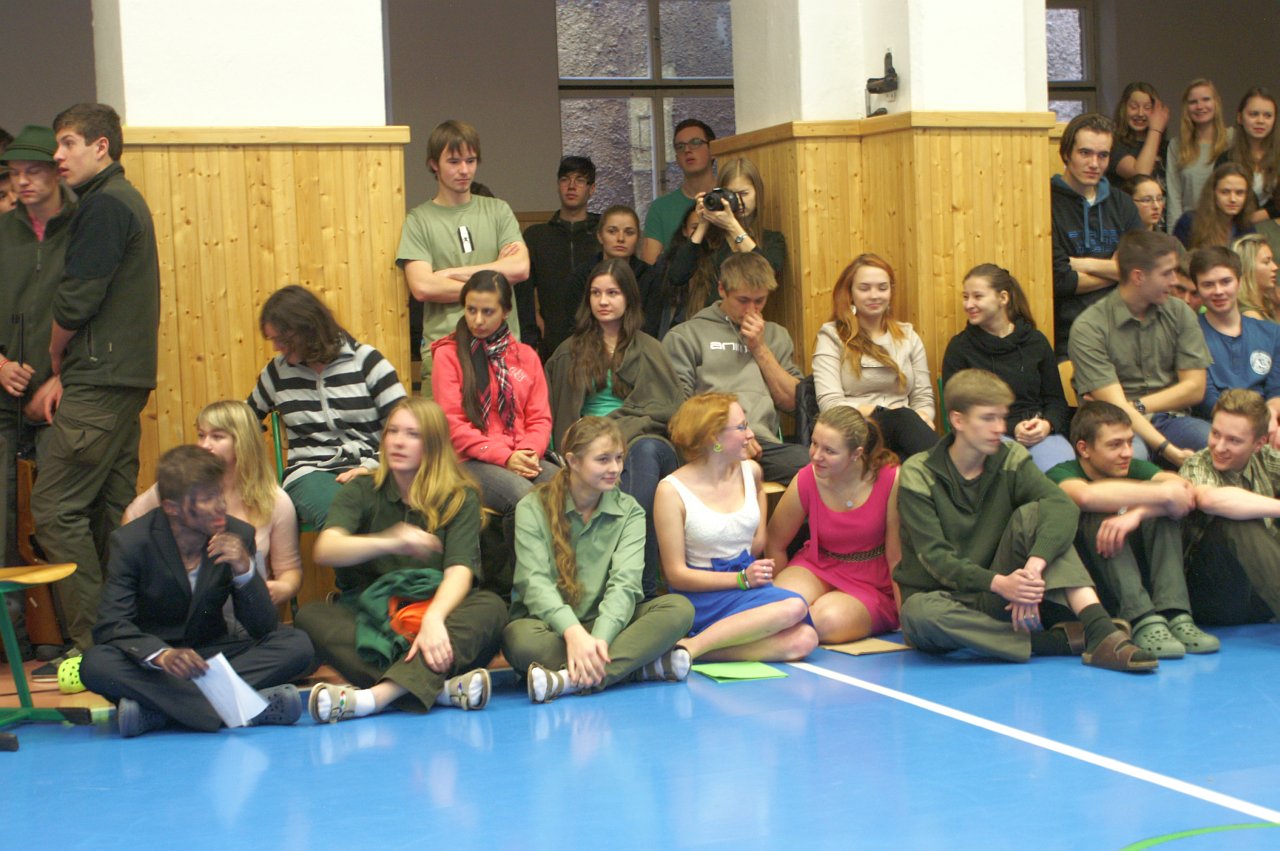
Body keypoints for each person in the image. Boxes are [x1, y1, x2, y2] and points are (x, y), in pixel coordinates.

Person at [895, 370, 1157, 672]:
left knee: (1037, 514)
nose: (1000, 428)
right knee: (918, 613)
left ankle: (1098, 628)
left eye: (1002, 417)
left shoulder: (1010, 456)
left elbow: (1061, 505)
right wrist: (1001, 584)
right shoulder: (919, 472)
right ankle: (1052, 643)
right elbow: (936, 558)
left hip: (1002, 596)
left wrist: (1033, 567)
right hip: (945, 601)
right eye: (988, 418)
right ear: (958, 420)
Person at [30, 104, 160, 662]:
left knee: (55, 508)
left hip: (99, 378)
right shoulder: (121, 199)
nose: (57, 155)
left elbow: (77, 301)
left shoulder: (104, 204)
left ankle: (96, 645)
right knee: (112, 512)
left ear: (101, 146)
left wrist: (56, 359)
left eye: (68, 143)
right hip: (120, 380)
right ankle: (128, 638)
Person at [78, 446, 314, 737]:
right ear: (171, 507)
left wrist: (245, 571)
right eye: (207, 499)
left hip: (212, 655)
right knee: (95, 664)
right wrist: (161, 655)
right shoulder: (131, 542)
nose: (220, 505)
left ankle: (158, 713)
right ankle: (247, 708)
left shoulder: (238, 534)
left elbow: (263, 627)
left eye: (219, 494)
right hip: (157, 663)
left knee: (297, 645)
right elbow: (112, 624)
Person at [295, 399, 507, 722]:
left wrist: (434, 618)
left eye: (412, 434)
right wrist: (390, 540)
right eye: (392, 432)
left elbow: (459, 571)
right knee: (311, 616)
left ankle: (375, 697)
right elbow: (326, 548)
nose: (397, 441)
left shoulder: (459, 496)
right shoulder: (363, 488)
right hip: (374, 617)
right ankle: (438, 689)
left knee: (491, 608)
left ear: (433, 444)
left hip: (438, 615)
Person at [504, 417, 695, 703]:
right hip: (551, 630)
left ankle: (567, 680)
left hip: (610, 626)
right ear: (573, 461)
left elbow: (625, 584)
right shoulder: (532, 507)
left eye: (619, 458)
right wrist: (573, 633)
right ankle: (637, 669)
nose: (615, 468)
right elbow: (534, 583)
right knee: (517, 638)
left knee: (678, 608)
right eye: (603, 459)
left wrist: (601, 639)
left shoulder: (630, 510)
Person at [545, 258, 685, 595]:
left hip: (644, 438)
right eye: (596, 293)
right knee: (598, 456)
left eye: (612, 293)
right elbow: (555, 410)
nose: (603, 301)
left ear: (629, 298)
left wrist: (621, 429)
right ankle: (601, 586)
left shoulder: (651, 348)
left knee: (644, 452)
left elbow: (670, 409)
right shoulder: (569, 351)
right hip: (587, 438)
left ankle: (641, 586)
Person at [654, 393, 817, 662]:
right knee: (795, 606)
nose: (750, 434)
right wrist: (741, 579)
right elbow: (676, 575)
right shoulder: (670, 491)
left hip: (745, 585)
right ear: (714, 437)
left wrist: (749, 565)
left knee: (805, 639)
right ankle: (693, 647)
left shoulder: (751, 471)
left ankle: (691, 650)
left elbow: (757, 528)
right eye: (741, 427)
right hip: (702, 595)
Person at [1046, 401, 1217, 658]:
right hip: (1090, 590)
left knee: (1162, 514)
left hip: (1138, 579)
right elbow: (1086, 496)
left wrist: (1138, 514)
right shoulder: (1061, 473)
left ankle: (1174, 614)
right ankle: (1140, 618)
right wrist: (1160, 495)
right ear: (1084, 449)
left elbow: (1183, 492)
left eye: (1129, 442)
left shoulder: (1133, 468)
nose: (1127, 452)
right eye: (1115, 445)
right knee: (1103, 513)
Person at [431, 270, 556, 593]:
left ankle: (567, 583)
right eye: (471, 310)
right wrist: (505, 457)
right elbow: (452, 425)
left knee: (567, 487)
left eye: (488, 311)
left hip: (519, 452)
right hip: (468, 459)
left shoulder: (525, 356)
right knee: (524, 499)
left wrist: (527, 452)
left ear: (506, 312)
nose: (478, 320)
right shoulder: (448, 354)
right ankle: (524, 592)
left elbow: (540, 418)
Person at [247, 285, 407, 529]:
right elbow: (244, 420)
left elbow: (406, 427)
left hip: (374, 468)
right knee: (343, 512)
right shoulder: (276, 372)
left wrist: (372, 466)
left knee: (386, 510)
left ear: (310, 329)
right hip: (310, 472)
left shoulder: (367, 362)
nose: (276, 347)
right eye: (273, 340)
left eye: (283, 339)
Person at [125, 401, 302, 607]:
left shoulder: (275, 500)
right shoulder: (178, 487)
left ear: (243, 442)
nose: (205, 445)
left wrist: (283, 588)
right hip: (181, 608)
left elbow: (289, 570)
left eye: (217, 437)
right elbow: (130, 521)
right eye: (201, 435)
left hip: (244, 608)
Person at [397, 120, 527, 395]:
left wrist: (450, 274)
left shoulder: (499, 211)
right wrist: (494, 279)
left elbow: (520, 268)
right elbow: (423, 287)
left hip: (501, 351)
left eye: (471, 160)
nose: (464, 170)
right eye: (454, 162)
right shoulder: (418, 220)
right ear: (434, 164)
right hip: (446, 353)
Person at [663, 252, 810, 483]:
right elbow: (679, 412)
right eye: (743, 300)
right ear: (722, 289)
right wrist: (729, 438)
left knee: (822, 464)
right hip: (711, 444)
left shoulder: (775, 335)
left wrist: (759, 348)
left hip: (762, 443)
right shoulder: (686, 335)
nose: (751, 310)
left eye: (759, 301)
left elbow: (794, 402)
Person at [1069, 230, 1213, 465]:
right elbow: (1115, 409)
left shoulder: (1179, 312)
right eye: (1166, 273)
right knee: (1130, 458)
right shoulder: (1090, 327)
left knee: (1213, 444)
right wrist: (1167, 449)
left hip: (1170, 420)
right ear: (1138, 277)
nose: (1174, 281)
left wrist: (1136, 405)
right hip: (1114, 425)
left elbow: (1195, 388)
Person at [0, 127, 75, 567]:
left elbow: (102, 312)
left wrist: (63, 377)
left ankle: (64, 614)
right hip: (4, 397)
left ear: (56, 171)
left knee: (59, 517)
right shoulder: (3, 232)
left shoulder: (85, 225)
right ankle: (12, 613)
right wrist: (0, 365)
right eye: (14, 173)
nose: (22, 181)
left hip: (66, 396)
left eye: (33, 170)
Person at [766, 407, 901, 644]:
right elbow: (775, 543)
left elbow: (896, 556)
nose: (816, 455)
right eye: (814, 444)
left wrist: (904, 615)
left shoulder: (891, 478)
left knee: (825, 621)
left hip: (871, 581)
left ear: (856, 454)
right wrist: (772, 594)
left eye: (829, 451)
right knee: (778, 609)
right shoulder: (807, 478)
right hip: (818, 563)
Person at [942, 263, 1073, 471]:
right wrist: (1011, 428)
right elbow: (957, 410)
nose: (968, 304)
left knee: (1063, 472)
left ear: (1003, 298)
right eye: (965, 297)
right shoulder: (960, 348)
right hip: (987, 435)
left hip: (1038, 431)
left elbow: (1055, 400)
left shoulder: (1035, 341)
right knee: (1016, 470)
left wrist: (1047, 425)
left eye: (977, 296)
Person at [813, 253, 937, 460]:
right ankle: (956, 474)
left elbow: (923, 397)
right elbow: (830, 404)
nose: (874, 295)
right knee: (903, 418)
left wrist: (923, 416)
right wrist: (882, 411)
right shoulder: (832, 336)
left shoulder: (908, 336)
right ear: (850, 293)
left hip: (906, 429)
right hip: (855, 430)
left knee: (907, 458)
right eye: (864, 288)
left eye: (882, 288)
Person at [1178, 389, 1280, 626]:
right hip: (1214, 594)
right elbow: (1209, 500)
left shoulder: (1265, 458)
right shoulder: (1197, 464)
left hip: (1258, 592)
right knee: (1238, 522)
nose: (1219, 447)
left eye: (1234, 440)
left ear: (1259, 444)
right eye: (1215, 433)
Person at [1051, 113, 1144, 357]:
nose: (1094, 163)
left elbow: (1141, 270)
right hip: (1069, 337)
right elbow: (1061, 280)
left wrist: (1081, 264)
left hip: (1126, 330)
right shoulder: (1047, 202)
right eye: (1085, 153)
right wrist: (1117, 271)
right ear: (1067, 153)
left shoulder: (1122, 203)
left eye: (1103, 155)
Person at [661, 156, 786, 331]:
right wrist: (703, 224)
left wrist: (732, 226)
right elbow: (677, 276)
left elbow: (768, 273)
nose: (738, 201)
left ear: (757, 193)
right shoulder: (711, 238)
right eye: (731, 195)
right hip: (704, 328)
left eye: (744, 194)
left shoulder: (772, 240)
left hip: (746, 328)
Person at [545, 204, 660, 359]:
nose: (620, 238)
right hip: (588, 354)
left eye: (629, 232)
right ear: (600, 236)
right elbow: (576, 326)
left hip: (638, 355)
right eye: (612, 231)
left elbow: (651, 327)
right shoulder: (581, 276)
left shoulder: (651, 277)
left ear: (638, 238)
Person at [1189, 246, 1280, 439]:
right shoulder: (1190, 336)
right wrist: (1251, 429)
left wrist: (1271, 415)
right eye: (1208, 285)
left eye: (1226, 281)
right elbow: (1206, 398)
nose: (1218, 291)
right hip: (1217, 426)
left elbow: (1276, 389)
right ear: (1197, 288)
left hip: (1268, 423)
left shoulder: (1272, 333)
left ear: (1239, 281)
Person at [521, 155, 599, 354]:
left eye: (580, 180)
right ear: (558, 185)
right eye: (565, 179)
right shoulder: (537, 236)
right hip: (551, 339)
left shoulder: (604, 234)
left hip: (599, 336)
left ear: (592, 189)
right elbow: (523, 291)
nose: (571, 186)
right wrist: (533, 323)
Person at [641, 118, 716, 264]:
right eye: (680, 146)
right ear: (676, 158)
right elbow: (650, 267)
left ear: (712, 150)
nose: (687, 150)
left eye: (695, 142)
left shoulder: (727, 199)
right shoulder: (660, 208)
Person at [1167, 79, 1232, 230]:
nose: (1200, 106)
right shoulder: (1176, 145)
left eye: (1206, 99)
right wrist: (1174, 236)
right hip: (1191, 229)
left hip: (1226, 229)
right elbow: (1174, 197)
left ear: (1216, 103)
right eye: (1193, 102)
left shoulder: (1232, 139)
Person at [1223, 87, 1280, 224]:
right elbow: (1221, 205)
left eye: (1267, 115)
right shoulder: (1226, 160)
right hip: (1236, 231)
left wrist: (1262, 215)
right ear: (1240, 118)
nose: (1260, 121)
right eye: (1254, 114)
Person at [1173, 162, 1256, 249]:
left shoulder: (1247, 227)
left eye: (1239, 193)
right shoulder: (1189, 222)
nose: (1233, 199)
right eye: (1225, 192)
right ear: (1213, 193)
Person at [1108, 82, 1169, 188]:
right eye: (1134, 107)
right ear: (1124, 109)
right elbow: (1141, 177)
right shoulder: (1114, 145)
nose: (1140, 113)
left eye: (1147, 107)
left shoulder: (1167, 147)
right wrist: (1155, 130)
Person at [1232, 233, 1279, 321]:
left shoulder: (1267, 306)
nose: (1275, 267)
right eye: (1266, 262)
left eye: (1272, 261)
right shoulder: (1251, 316)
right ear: (1247, 268)